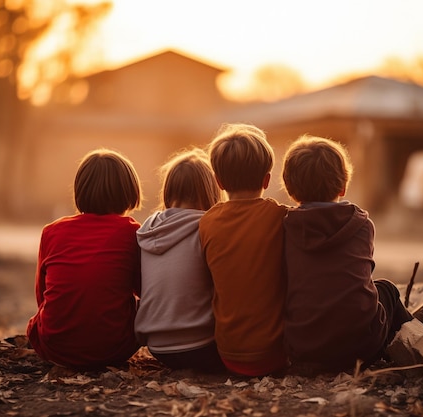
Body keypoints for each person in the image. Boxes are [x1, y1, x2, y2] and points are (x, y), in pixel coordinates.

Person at [281, 134, 413, 373]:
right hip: (361, 348)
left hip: (304, 347)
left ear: (290, 188)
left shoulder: (284, 227)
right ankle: (415, 347)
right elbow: (364, 277)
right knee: (388, 290)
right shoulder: (362, 225)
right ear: (343, 186)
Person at [26, 148, 142, 371]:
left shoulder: (51, 231)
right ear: (129, 192)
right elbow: (142, 289)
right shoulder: (132, 232)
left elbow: (42, 296)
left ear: (80, 191)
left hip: (56, 348)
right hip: (115, 349)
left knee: (35, 323)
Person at [198, 123, 289, 377]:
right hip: (276, 354)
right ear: (267, 179)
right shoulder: (280, 217)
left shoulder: (207, 222)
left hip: (227, 354)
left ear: (218, 182)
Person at [134, 148, 225, 373]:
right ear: (211, 190)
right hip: (202, 346)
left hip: (157, 347)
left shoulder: (149, 228)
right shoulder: (208, 228)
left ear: (168, 191)